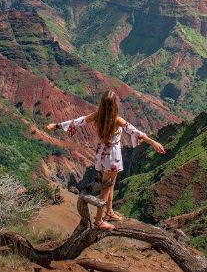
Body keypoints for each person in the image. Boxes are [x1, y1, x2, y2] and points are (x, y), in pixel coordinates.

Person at [46, 90, 166, 231]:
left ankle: (109, 212)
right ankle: (98, 220)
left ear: (102, 104)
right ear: (115, 105)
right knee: (107, 188)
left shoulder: (97, 116)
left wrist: (57, 125)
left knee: (110, 184)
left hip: (102, 155)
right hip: (113, 157)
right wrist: (153, 142)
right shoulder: (117, 120)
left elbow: (78, 121)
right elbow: (135, 132)